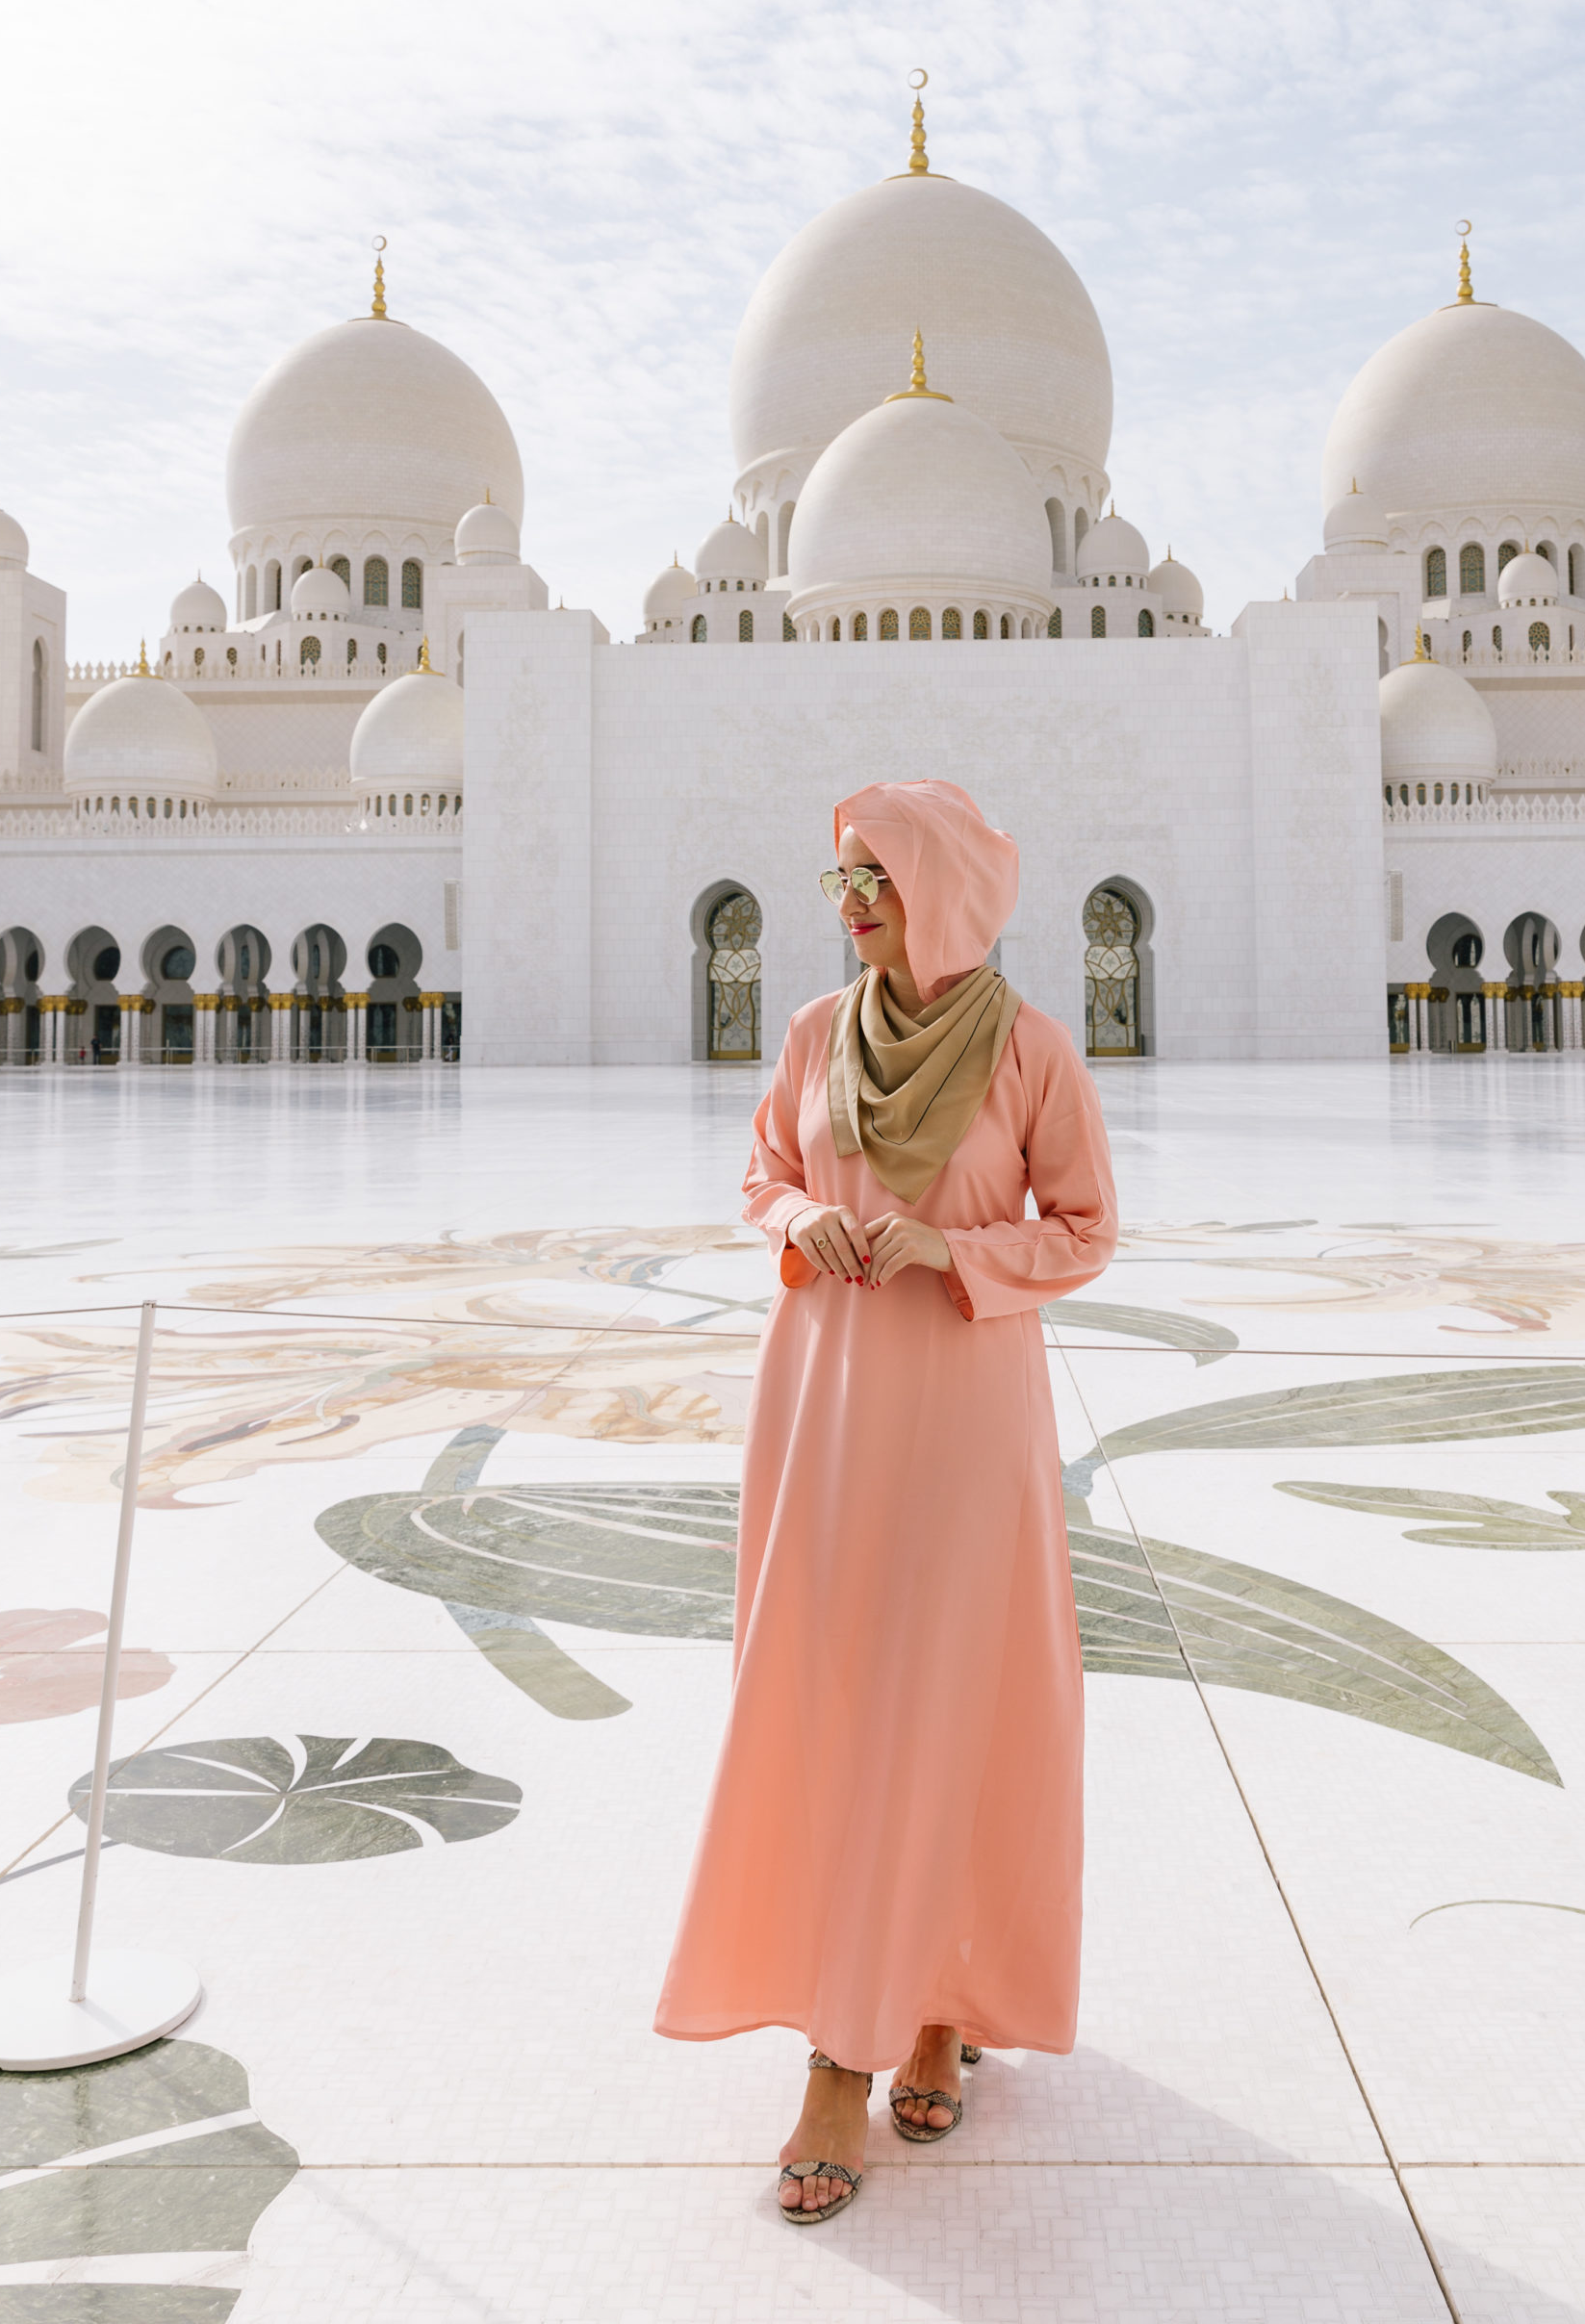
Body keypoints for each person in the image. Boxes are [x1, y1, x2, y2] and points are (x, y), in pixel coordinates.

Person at [655, 779, 1119, 2222]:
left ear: (942, 891)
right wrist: (808, 1219)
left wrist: (946, 1246)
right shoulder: (812, 1033)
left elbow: (1088, 1228)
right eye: (839, 879)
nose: (851, 903)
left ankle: (913, 2019)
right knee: (837, 1691)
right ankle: (847, 2036)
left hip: (966, 1402)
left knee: (954, 1697)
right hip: (829, 1401)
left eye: (874, 877)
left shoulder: (1031, 1052)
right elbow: (765, 1172)